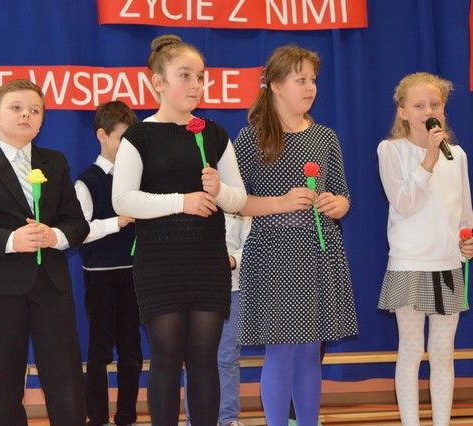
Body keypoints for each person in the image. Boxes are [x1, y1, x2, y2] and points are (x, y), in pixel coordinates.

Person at [112, 34, 247, 425]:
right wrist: (181, 202)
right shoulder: (139, 137)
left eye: (200, 76)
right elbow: (123, 201)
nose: (195, 84)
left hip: (207, 261)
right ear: (158, 82)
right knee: (167, 357)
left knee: (205, 358)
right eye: (185, 75)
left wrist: (219, 191)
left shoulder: (214, 134)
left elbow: (239, 200)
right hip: (160, 263)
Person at [232, 45, 358, 426]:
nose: (310, 88)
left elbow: (343, 195)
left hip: (319, 252)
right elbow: (235, 202)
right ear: (275, 85)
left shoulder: (325, 137)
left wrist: (337, 204)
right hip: (274, 255)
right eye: (300, 80)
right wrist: (281, 202)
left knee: (310, 351)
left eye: (313, 80)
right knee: (282, 350)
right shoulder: (251, 139)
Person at [0, 79, 89, 425]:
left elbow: (78, 224)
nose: (26, 115)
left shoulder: (55, 162)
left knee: (66, 381)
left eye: (35, 110)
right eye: (16, 108)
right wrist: (12, 240)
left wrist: (53, 235)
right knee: (4, 385)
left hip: (52, 287)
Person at [377, 72, 473, 426]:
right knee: (412, 349)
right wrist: (429, 159)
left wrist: (467, 239)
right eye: (419, 106)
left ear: (443, 109)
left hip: (447, 263)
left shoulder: (456, 155)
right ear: (403, 112)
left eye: (435, 104)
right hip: (409, 263)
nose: (428, 111)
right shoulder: (391, 150)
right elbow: (404, 204)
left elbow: (464, 210)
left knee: (443, 353)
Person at [75, 100, 142, 426]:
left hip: (134, 275)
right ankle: (98, 417)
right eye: (121, 139)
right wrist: (118, 222)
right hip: (100, 276)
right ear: (102, 135)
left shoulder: (137, 178)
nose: (128, 147)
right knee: (100, 351)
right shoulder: (86, 181)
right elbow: (79, 232)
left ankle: (126, 416)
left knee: (132, 351)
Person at [184, 212, 251, 426]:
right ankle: (194, 419)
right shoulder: (190, 202)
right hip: (195, 290)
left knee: (228, 358)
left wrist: (232, 260)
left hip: (232, 289)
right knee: (196, 358)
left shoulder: (240, 205)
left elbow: (251, 244)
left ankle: (228, 418)